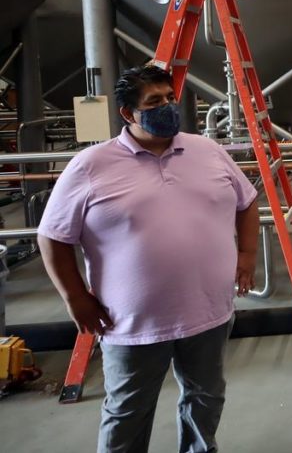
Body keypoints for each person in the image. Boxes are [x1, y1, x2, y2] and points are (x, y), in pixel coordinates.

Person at [38, 65, 259, 453]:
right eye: (154, 102)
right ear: (128, 114)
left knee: (205, 397)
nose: (167, 107)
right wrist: (75, 296)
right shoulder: (90, 166)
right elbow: (53, 235)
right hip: (131, 322)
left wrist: (246, 254)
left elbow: (247, 202)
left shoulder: (207, 150)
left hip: (207, 311)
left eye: (170, 98)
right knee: (128, 409)